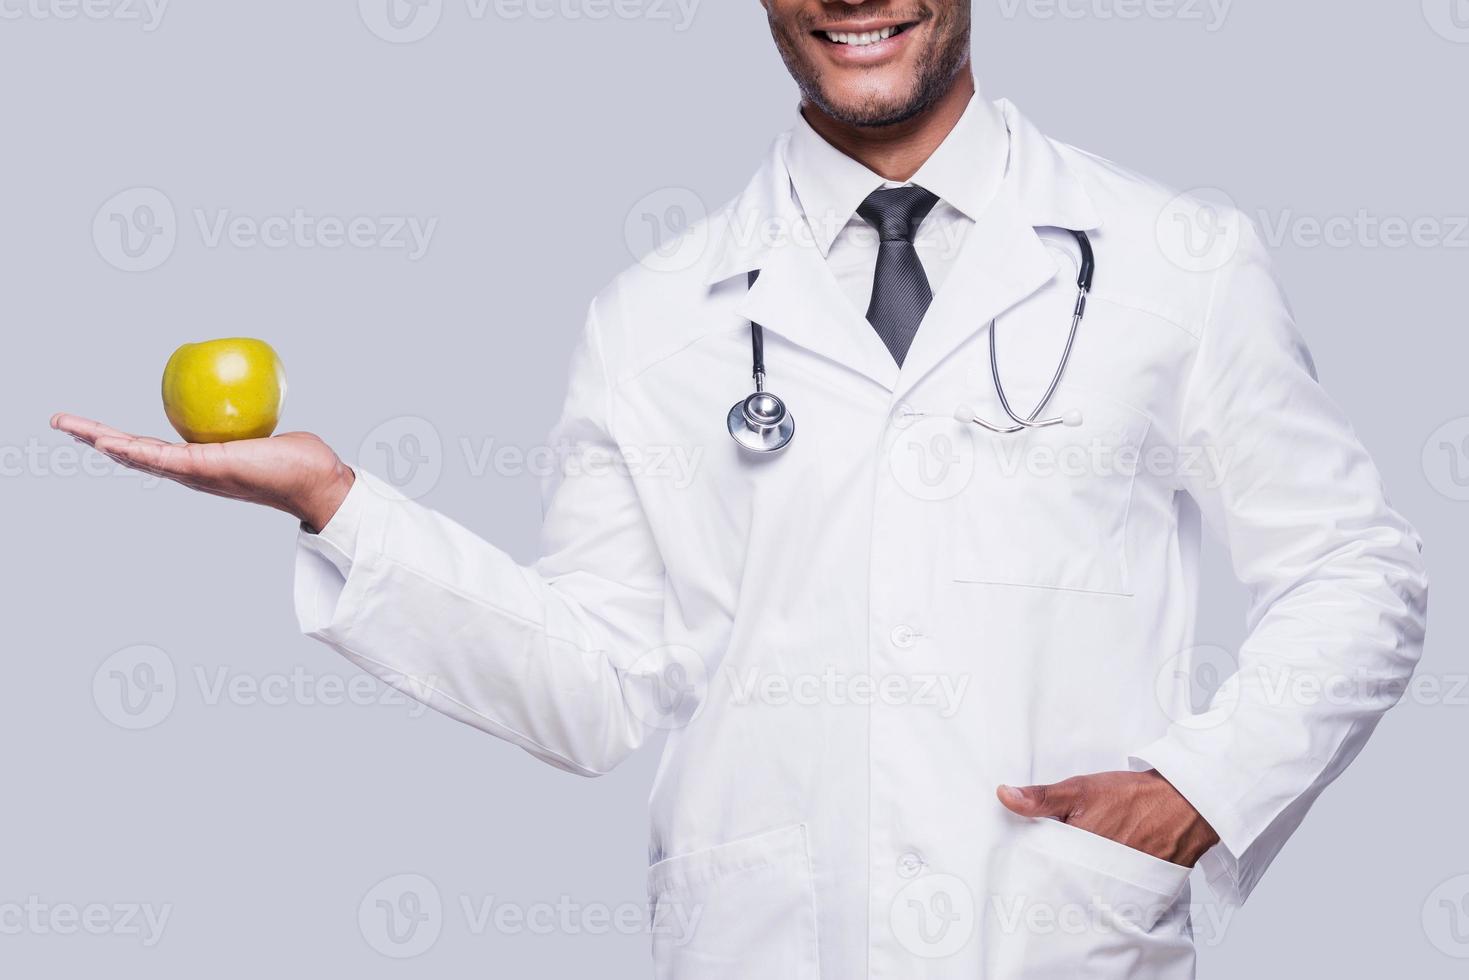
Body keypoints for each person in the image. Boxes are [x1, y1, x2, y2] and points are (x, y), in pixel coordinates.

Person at [53, 2, 1428, 977]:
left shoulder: (1169, 256)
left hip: (1060, 943)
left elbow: (1354, 569)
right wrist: (339, 501)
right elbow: (593, 688)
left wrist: (1199, 788)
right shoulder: (652, 317)